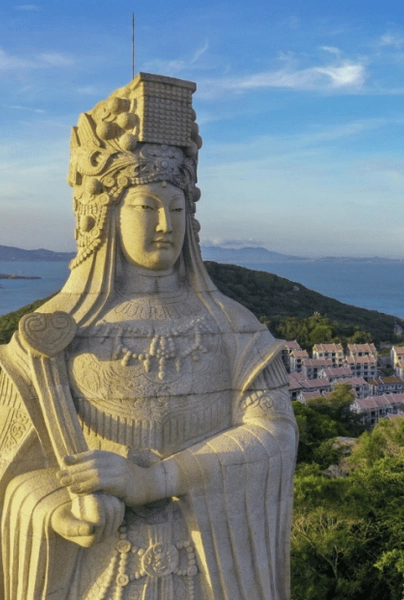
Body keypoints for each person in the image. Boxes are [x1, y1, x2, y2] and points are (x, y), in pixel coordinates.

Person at [0, 73, 297, 599]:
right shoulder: (49, 338)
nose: (166, 223)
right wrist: (56, 513)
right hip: (100, 576)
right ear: (106, 213)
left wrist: (160, 480)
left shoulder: (235, 326)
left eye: (177, 208)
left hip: (205, 569)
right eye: (146, 206)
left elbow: (275, 436)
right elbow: (15, 477)